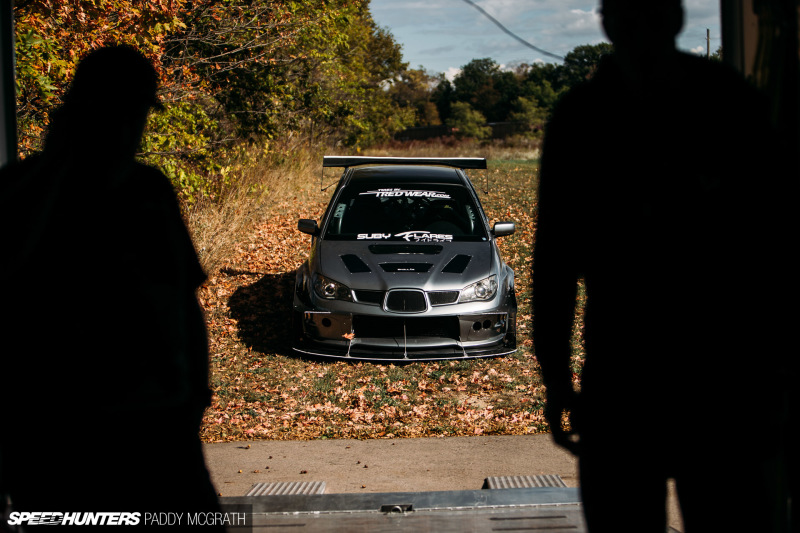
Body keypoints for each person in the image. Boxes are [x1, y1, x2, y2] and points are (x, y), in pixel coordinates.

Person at [532, 1, 792, 531]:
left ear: (607, 21)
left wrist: (557, 378)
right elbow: (774, 251)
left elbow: (555, 267)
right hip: (723, 377)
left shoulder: (582, 117)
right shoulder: (732, 102)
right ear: (674, 17)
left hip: (629, 376)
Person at [0, 46, 222, 526]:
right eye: (135, 111)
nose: (137, 127)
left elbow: (184, 305)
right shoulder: (138, 192)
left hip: (67, 429)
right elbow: (184, 306)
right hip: (108, 425)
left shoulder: (19, 188)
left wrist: (194, 398)